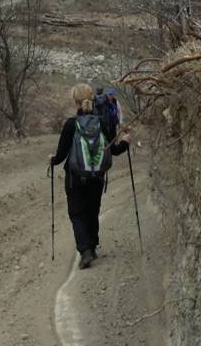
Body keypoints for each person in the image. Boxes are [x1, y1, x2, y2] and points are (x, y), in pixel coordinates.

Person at [49, 82, 131, 269]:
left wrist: (51, 160)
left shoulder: (71, 124)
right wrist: (126, 142)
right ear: (92, 99)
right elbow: (114, 150)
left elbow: (60, 157)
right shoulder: (101, 122)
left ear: (75, 101)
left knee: (77, 213)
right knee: (92, 211)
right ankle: (92, 247)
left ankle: (85, 250)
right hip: (97, 177)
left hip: (75, 178)